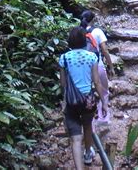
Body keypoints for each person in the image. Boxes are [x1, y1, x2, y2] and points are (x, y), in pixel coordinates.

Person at [59, 27, 108, 169]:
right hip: (88, 100)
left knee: (75, 138)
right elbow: (97, 82)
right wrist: (104, 102)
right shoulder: (92, 57)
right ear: (84, 41)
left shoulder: (64, 58)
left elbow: (63, 83)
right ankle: (87, 153)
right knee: (87, 126)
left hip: (71, 101)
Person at [80, 10, 114, 124]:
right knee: (103, 91)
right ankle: (103, 118)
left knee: (87, 92)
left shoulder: (78, 31)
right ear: (93, 19)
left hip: (82, 68)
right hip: (96, 65)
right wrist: (111, 66)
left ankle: (87, 121)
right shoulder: (97, 31)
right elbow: (104, 50)